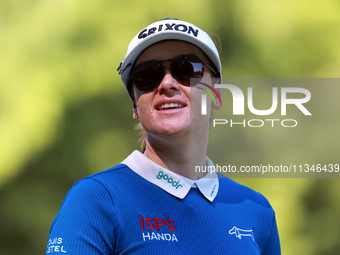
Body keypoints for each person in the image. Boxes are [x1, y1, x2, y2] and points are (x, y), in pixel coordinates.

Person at [46, 18, 281, 254]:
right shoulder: (95, 199)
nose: (167, 83)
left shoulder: (256, 210)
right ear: (135, 106)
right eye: (148, 74)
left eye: (187, 69)